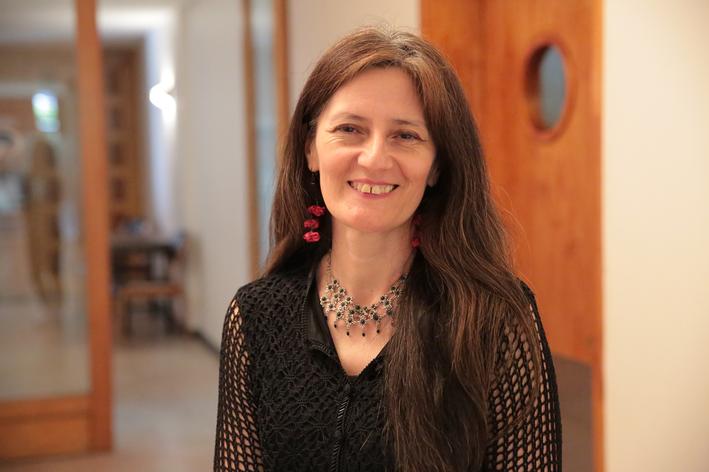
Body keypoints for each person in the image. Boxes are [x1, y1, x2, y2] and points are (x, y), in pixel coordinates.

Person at [214, 26, 562, 472]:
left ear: (436, 166)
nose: (375, 158)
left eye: (406, 136)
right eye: (350, 129)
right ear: (310, 150)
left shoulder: (495, 321)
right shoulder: (255, 316)